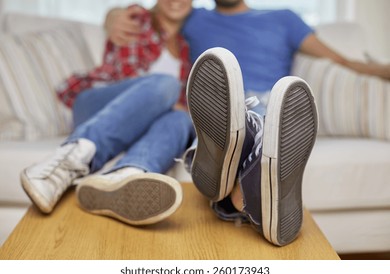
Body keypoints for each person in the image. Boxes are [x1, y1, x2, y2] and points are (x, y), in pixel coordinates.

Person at [105, 0, 390, 246]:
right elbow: (154, 16)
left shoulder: (284, 19)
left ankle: (236, 192)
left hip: (266, 101)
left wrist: (380, 69)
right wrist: (114, 15)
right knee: (207, 119)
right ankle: (243, 183)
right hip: (213, 104)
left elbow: (342, 61)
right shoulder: (194, 17)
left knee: (266, 114)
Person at [20, 0, 195, 226]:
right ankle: (64, 164)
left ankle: (127, 176)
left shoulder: (184, 47)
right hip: (98, 103)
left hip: (140, 124)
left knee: (180, 119)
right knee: (166, 85)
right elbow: (129, 76)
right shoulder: (137, 18)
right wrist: (113, 15)